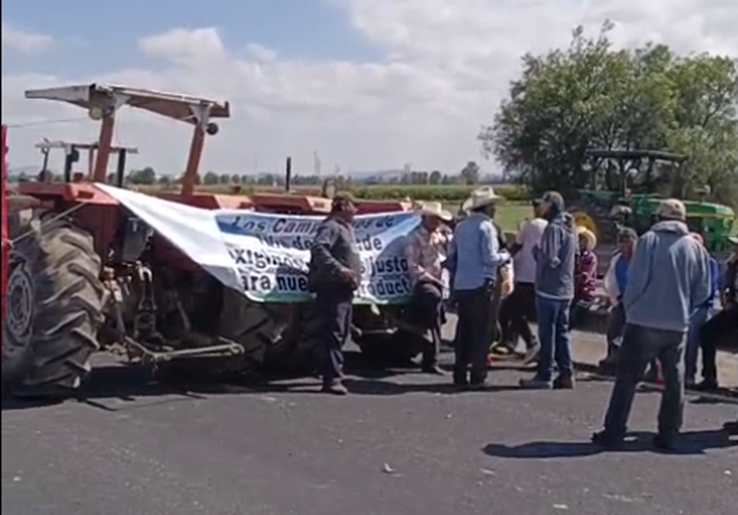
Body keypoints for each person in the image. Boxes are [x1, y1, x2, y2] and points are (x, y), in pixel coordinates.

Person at [592, 199, 711, 452]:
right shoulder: (695, 247)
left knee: (627, 380)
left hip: (644, 320)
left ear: (660, 217)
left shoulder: (649, 241)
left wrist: (631, 308)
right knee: (674, 384)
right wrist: (685, 309)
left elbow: (636, 282)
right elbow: (703, 290)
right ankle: (669, 435)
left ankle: (614, 432)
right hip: (677, 325)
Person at [446, 186, 510, 389]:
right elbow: (489, 258)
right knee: (482, 330)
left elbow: (452, 255)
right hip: (482, 284)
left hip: (463, 284)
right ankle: (477, 373)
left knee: (464, 329)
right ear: (487, 208)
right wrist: (505, 256)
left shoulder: (461, 227)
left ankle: (459, 371)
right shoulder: (487, 228)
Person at [519, 191, 578, 390]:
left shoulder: (553, 228)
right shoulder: (571, 227)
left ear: (550, 205)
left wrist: (538, 253)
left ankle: (545, 374)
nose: (541, 207)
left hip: (549, 288)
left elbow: (551, 259)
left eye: (543, 204)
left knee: (547, 334)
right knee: (562, 333)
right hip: (566, 288)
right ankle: (566, 373)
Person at [308, 192, 362, 395]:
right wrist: (339, 269)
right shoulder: (330, 227)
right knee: (333, 333)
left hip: (345, 288)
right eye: (354, 205)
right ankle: (332, 379)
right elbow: (318, 248)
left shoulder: (347, 229)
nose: (356, 210)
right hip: (333, 287)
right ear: (344, 205)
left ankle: (330, 371)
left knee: (342, 333)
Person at [404, 201, 453, 375]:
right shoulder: (414, 237)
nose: (438, 222)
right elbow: (413, 267)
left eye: (439, 219)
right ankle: (430, 357)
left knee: (436, 317)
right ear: (425, 218)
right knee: (433, 305)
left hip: (441, 282)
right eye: (434, 219)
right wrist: (434, 280)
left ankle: (427, 348)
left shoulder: (441, 235)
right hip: (423, 283)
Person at [497, 200, 547, 362]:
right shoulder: (551, 227)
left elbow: (516, 246)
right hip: (540, 277)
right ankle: (516, 342)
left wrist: (501, 258)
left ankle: (529, 342)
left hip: (526, 277)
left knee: (509, 310)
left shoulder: (530, 225)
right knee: (515, 310)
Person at [695, 235, 738, 391]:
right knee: (707, 331)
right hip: (733, 309)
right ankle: (709, 377)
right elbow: (725, 286)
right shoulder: (733, 264)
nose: (734, 249)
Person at [684, 233, 721, 388]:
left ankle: (689, 374)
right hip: (684, 304)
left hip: (702, 306)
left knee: (692, 332)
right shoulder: (685, 262)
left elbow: (709, 289)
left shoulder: (710, 263)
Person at [599, 227, 638, 373]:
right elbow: (610, 280)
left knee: (630, 334)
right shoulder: (617, 259)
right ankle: (613, 358)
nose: (624, 248)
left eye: (627, 244)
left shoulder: (640, 260)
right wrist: (613, 297)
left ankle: (626, 362)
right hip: (620, 299)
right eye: (621, 244)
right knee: (613, 328)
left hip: (636, 302)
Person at [571, 226, 598, 327]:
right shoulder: (572, 256)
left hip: (585, 293)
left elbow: (585, 277)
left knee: (573, 315)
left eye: (582, 239)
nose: (580, 242)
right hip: (572, 291)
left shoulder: (591, 258)